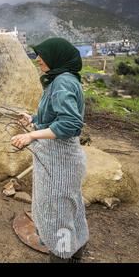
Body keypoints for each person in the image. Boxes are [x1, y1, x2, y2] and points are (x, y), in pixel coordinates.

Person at [11, 37, 89, 263]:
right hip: (57, 159)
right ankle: (75, 253)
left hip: (60, 160)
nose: (38, 60)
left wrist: (30, 135)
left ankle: (62, 254)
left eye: (42, 55)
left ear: (56, 56)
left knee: (57, 214)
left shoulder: (63, 82)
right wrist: (33, 120)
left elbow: (70, 124)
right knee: (68, 208)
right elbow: (54, 117)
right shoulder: (61, 79)